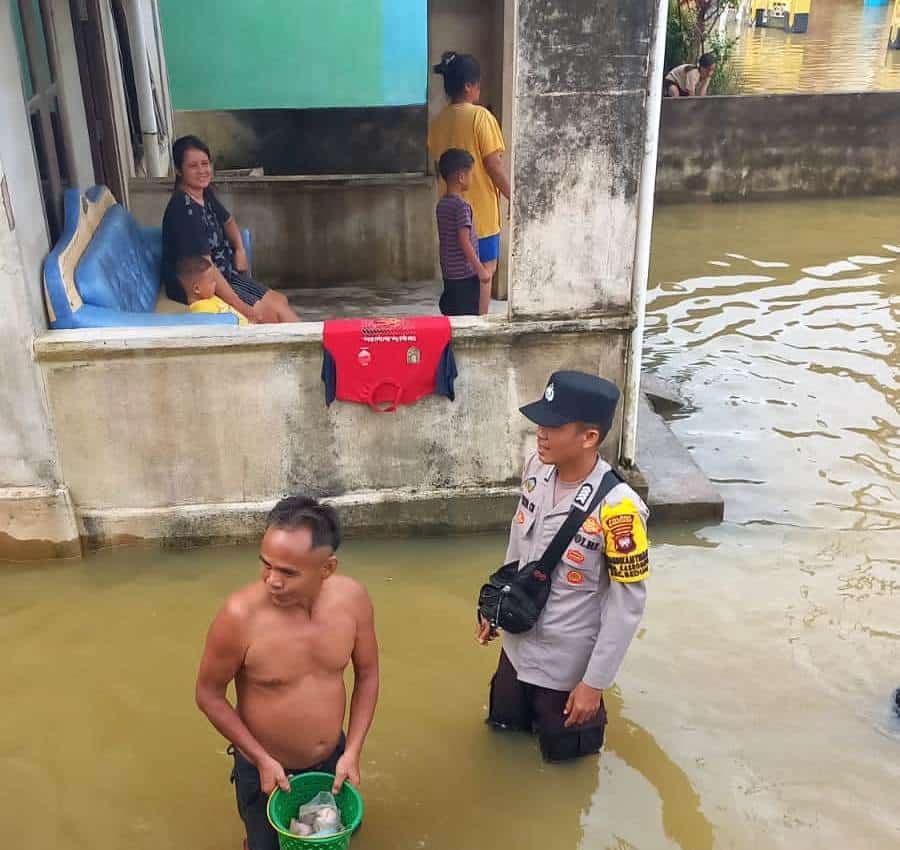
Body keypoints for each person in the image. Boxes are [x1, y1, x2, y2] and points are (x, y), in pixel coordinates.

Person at [477, 371, 650, 762]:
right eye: (541, 421)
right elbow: (518, 548)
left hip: (567, 671)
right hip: (516, 652)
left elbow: (626, 609)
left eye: (553, 426)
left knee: (566, 768)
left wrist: (594, 683)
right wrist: (494, 606)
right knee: (501, 740)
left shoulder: (619, 511)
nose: (541, 433)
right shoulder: (536, 471)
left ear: (589, 437)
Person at [196, 497, 379, 850]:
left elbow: (368, 675)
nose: (272, 581)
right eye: (266, 565)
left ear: (327, 569)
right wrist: (260, 759)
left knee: (334, 839)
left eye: (288, 572)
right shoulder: (238, 617)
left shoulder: (352, 600)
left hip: (333, 759)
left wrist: (353, 750)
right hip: (265, 767)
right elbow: (208, 694)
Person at [162, 135, 300, 323]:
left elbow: (228, 220)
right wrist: (242, 307)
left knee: (280, 301)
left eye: (205, 164)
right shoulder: (184, 211)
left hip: (226, 274)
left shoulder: (203, 194)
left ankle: (313, 347)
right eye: (193, 166)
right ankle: (312, 348)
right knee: (270, 315)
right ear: (179, 170)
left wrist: (240, 249)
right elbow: (207, 267)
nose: (202, 171)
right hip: (202, 285)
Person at [428, 52, 510, 315]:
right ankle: (480, 326)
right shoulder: (481, 117)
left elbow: (437, 165)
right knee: (484, 272)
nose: (479, 90)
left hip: (448, 212)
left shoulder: (438, 122)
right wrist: (516, 198)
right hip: (480, 217)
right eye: (478, 84)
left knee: (457, 277)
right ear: (468, 86)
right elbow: (493, 165)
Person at [435, 148, 492, 317]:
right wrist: (480, 269)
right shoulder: (462, 207)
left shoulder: (442, 204)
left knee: (453, 318)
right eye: (471, 174)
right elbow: (464, 241)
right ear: (461, 177)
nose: (472, 178)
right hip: (466, 277)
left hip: (449, 275)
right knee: (467, 319)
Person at [177, 256, 249, 325]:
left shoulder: (209, 297)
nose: (215, 284)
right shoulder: (202, 310)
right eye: (211, 282)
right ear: (197, 289)